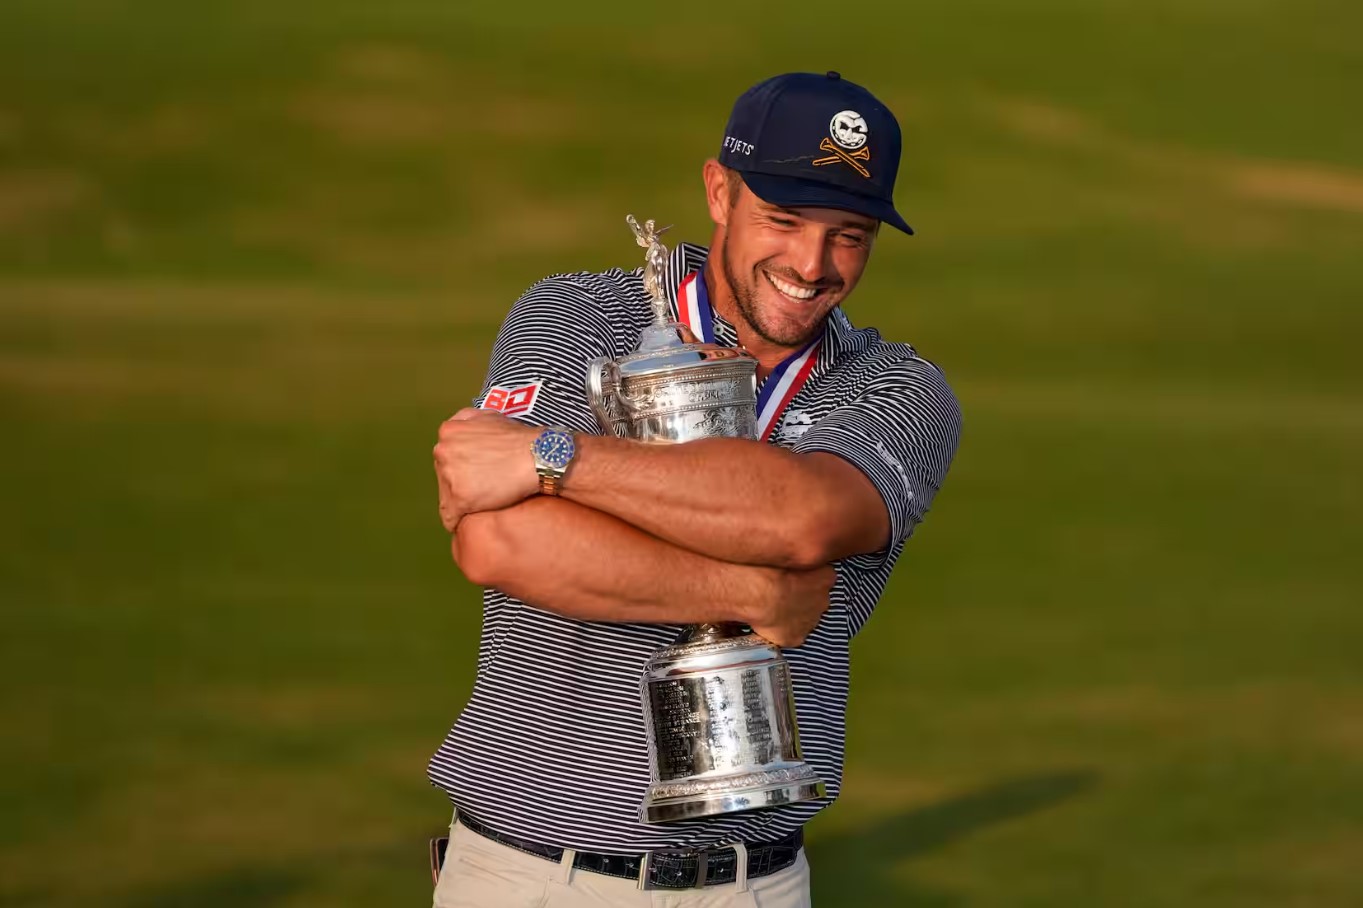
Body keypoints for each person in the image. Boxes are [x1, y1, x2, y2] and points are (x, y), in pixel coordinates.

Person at [429, 71, 962, 907]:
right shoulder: (578, 317)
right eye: (782, 221)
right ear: (719, 191)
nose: (811, 264)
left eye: (848, 235)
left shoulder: (897, 389)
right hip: (527, 874)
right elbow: (499, 543)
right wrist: (748, 586)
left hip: (746, 886)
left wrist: (553, 460)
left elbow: (804, 517)